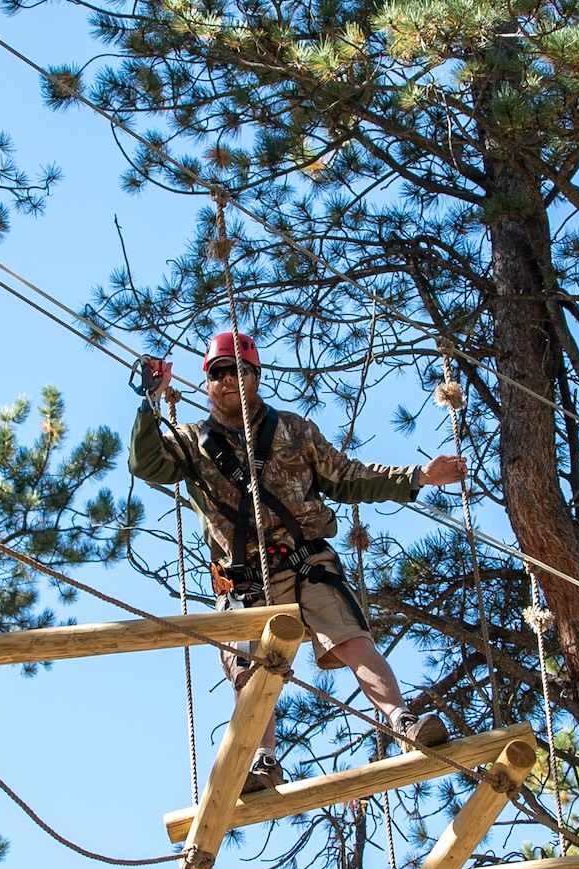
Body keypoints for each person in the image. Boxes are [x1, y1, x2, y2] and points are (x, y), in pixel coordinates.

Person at [130, 331, 466, 789]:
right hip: (244, 575)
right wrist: (149, 403)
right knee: (251, 667)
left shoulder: (294, 430)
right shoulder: (192, 442)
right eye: (219, 373)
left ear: (256, 376)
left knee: (350, 638)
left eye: (239, 371)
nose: (229, 380)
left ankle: (402, 721)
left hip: (306, 557)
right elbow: (148, 464)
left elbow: (348, 477)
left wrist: (418, 475)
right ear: (207, 382)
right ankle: (263, 761)